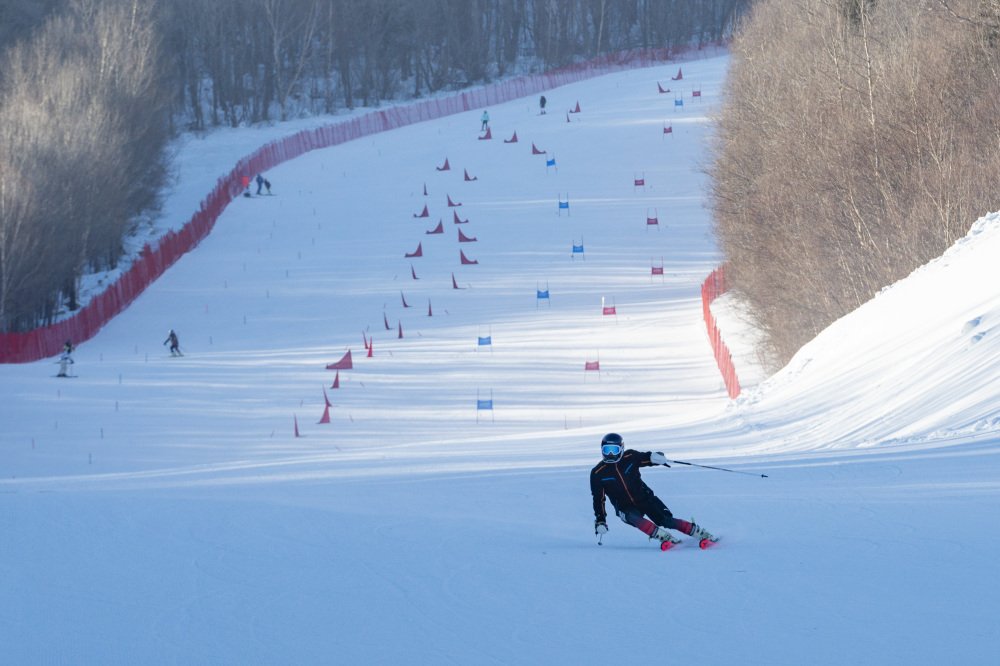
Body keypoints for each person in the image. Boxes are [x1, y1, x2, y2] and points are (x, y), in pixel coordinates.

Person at [591, 433, 716, 549]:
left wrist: (656, 457)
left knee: (666, 520)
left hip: (645, 498)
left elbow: (645, 458)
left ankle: (701, 533)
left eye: (615, 450)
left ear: (621, 449)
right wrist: (600, 521)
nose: (611, 454)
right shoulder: (598, 473)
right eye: (607, 450)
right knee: (632, 517)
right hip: (625, 507)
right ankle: (664, 537)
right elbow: (599, 500)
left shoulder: (630, 457)